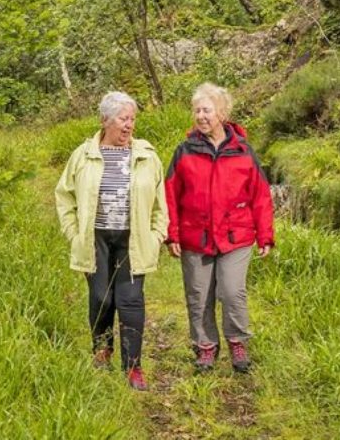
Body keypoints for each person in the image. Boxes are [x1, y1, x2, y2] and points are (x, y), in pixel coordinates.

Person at [55, 91, 170, 390]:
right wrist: (73, 232)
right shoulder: (83, 155)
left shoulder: (147, 156)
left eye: (132, 118)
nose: (129, 125)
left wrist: (157, 236)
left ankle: (133, 366)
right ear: (105, 120)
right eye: (123, 118)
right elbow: (63, 195)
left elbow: (161, 204)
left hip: (133, 239)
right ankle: (101, 351)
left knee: (130, 301)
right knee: (101, 298)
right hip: (96, 239)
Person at [165, 82, 273, 374]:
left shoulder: (243, 151)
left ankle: (237, 342)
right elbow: (170, 195)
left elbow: (260, 195)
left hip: (235, 236)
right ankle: (205, 348)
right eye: (197, 110)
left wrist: (265, 235)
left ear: (222, 113)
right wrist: (172, 233)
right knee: (198, 295)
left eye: (207, 110)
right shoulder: (184, 151)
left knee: (232, 290)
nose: (201, 116)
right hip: (194, 236)